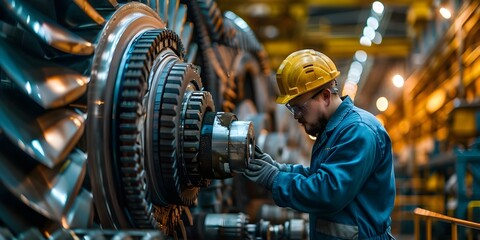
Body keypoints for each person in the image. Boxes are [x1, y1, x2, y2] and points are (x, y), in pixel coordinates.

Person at [243, 49, 396, 239]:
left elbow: (328, 192)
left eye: (300, 107)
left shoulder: (358, 131)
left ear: (325, 96)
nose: (297, 115)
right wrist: (278, 169)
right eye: (292, 108)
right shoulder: (333, 130)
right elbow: (318, 176)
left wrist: (275, 180)